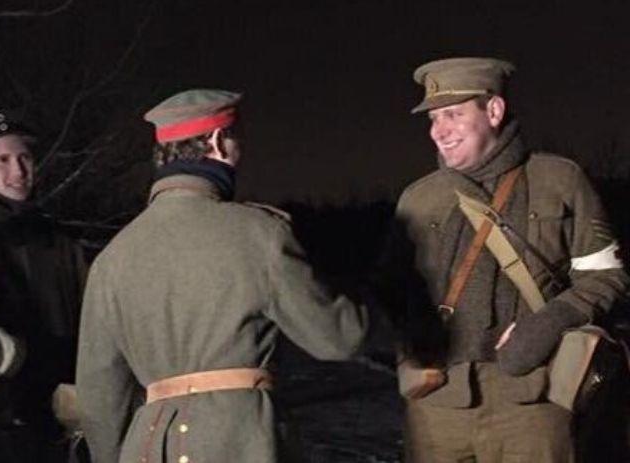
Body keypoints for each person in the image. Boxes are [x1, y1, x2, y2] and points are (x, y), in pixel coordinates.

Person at [76, 89, 380, 463]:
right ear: (218, 142)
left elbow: (99, 394)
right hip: (241, 442)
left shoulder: (111, 259)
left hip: (149, 448)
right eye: (236, 139)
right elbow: (337, 339)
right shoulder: (258, 234)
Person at [383, 57, 629, 462]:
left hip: (534, 399)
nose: (438, 131)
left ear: (493, 111)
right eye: (433, 119)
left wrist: (549, 322)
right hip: (436, 404)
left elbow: (607, 275)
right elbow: (390, 288)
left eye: (453, 115)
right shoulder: (418, 197)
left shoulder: (559, 180)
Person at [0, 110, 87, 462]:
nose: (18, 172)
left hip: (58, 426)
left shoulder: (64, 244)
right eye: (3, 160)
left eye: (24, 158)